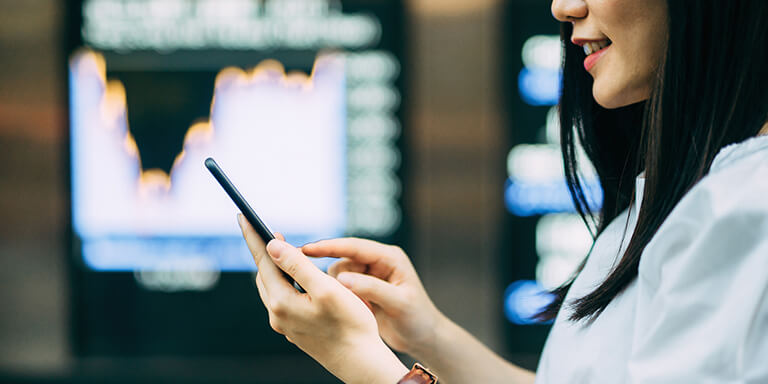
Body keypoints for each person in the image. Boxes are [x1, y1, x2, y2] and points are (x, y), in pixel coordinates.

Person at [237, 0, 768, 382]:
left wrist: (362, 361)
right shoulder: (698, 194)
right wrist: (429, 336)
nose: (563, 7)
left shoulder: (744, 211)